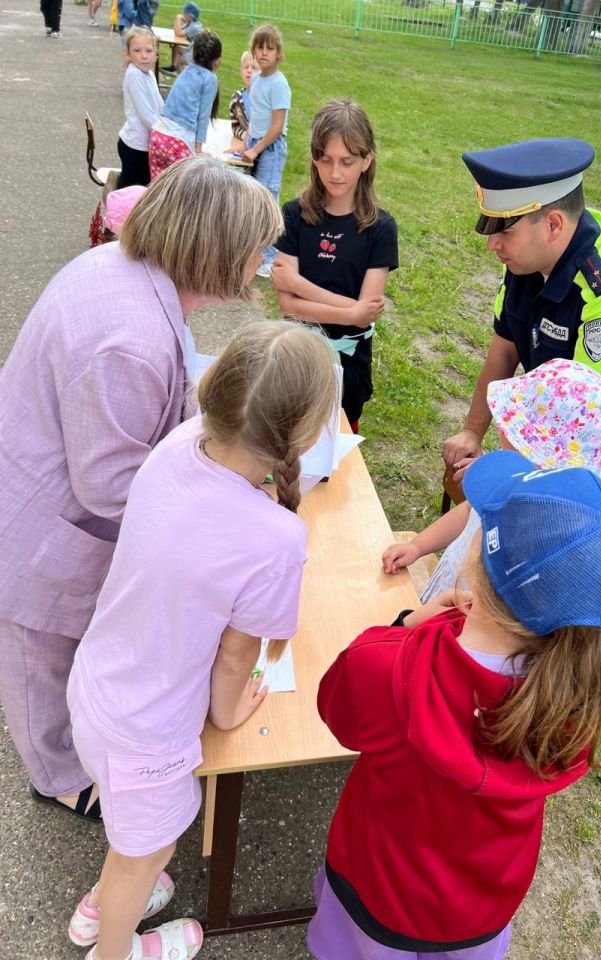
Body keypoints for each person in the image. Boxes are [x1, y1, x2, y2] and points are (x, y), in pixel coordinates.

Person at [0, 157, 282, 823]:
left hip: (44, 496)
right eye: (255, 249)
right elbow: (111, 485)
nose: (261, 262)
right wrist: (227, 507)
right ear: (220, 251)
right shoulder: (128, 338)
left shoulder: (131, 279)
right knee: (40, 660)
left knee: (58, 654)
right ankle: (56, 775)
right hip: (43, 532)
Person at [66, 319, 338, 960]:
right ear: (299, 435)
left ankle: (100, 909)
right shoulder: (277, 537)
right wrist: (230, 710)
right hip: (149, 733)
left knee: (134, 837)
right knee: (148, 850)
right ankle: (111, 948)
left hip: (98, 686)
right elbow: (236, 658)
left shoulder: (180, 443)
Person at [311, 449, 601, 960]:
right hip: (483, 909)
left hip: (377, 890)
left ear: (480, 565)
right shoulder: (578, 695)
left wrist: (404, 625)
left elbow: (338, 716)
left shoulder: (387, 665)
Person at [442, 138, 601, 504]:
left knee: (569, 528)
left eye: (504, 230)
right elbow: (503, 352)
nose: (492, 244)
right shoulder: (526, 257)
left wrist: (500, 476)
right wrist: (472, 433)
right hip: (558, 419)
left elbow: (575, 419)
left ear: (553, 223)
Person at [384, 357, 601, 601]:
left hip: (474, 618)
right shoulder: (506, 474)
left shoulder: (547, 523)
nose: (500, 427)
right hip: (451, 593)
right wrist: (418, 546)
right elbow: (470, 513)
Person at [272, 99, 398, 432]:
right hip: (297, 354)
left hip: (349, 364)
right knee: (288, 433)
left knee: (338, 444)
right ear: (314, 157)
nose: (335, 172)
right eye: (325, 160)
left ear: (367, 160)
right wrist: (351, 312)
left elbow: (364, 311)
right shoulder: (294, 214)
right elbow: (288, 306)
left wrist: (299, 286)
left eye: (346, 161)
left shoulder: (381, 228)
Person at [242, 23, 291, 277]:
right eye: (259, 48)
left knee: (267, 202)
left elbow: (277, 126)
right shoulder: (257, 80)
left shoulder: (278, 84)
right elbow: (256, 115)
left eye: (269, 49)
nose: (263, 53)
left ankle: (270, 257)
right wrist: (247, 144)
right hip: (255, 143)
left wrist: (257, 149)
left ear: (278, 53)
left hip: (270, 148)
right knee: (252, 198)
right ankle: (255, 250)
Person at [149, 30, 221, 179]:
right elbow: (203, 116)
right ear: (217, 61)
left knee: (157, 192)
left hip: (158, 137)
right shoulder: (210, 79)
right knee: (181, 197)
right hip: (179, 143)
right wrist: (198, 150)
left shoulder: (186, 71)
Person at [117, 25, 163, 189]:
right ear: (128, 54)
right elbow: (146, 115)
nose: (144, 56)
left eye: (148, 51)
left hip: (146, 144)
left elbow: (159, 104)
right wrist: (164, 132)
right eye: (137, 51)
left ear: (155, 53)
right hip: (135, 145)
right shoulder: (134, 74)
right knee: (130, 191)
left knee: (141, 189)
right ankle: (117, 213)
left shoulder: (149, 74)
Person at [162, 1, 203, 74]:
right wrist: (178, 21)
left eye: (184, 13)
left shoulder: (195, 26)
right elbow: (178, 30)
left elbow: (178, 33)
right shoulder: (190, 23)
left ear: (190, 16)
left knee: (180, 61)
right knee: (176, 46)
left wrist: (178, 18)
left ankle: (182, 77)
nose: (182, 14)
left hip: (198, 54)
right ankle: (173, 67)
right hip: (193, 49)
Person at [229, 49, 257, 149]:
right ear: (241, 71)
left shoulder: (266, 99)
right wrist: (245, 136)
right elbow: (235, 127)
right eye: (246, 67)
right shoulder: (236, 100)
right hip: (244, 149)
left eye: (254, 67)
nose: (249, 70)